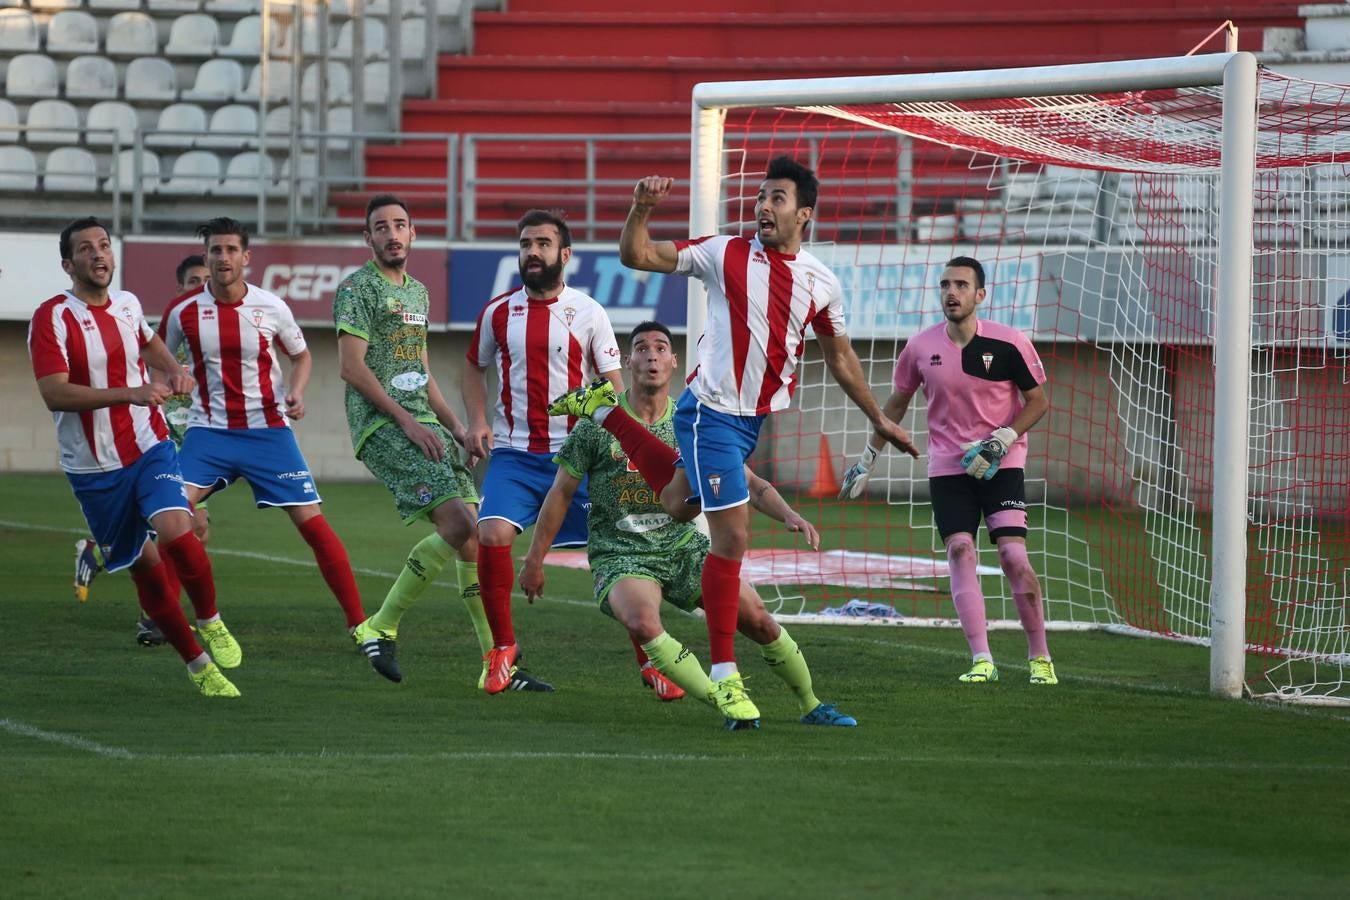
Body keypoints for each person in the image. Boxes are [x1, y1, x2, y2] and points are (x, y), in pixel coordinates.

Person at [549, 157, 918, 727]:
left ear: (804, 214)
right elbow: (638, 256)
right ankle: (726, 676)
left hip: (751, 423)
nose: (763, 206)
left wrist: (879, 419)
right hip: (710, 414)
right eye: (761, 196)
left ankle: (604, 411)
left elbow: (841, 357)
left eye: (777, 198)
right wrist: (642, 209)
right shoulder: (724, 254)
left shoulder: (822, 282)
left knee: (677, 503)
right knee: (733, 536)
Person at [521, 322, 856, 729]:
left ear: (675, 361)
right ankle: (725, 700)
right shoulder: (590, 431)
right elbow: (559, 494)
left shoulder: (692, 421)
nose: (651, 355)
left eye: (661, 347)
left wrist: (790, 514)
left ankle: (811, 704)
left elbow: (749, 482)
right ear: (627, 362)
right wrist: (534, 560)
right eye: (641, 348)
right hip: (621, 554)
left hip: (683, 547)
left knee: (758, 619)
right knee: (644, 622)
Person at [335, 195, 550, 690]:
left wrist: (455, 425)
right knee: (462, 523)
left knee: (472, 541)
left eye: (400, 225)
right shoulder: (356, 290)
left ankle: (497, 664)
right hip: (382, 426)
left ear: (414, 234)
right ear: (367, 239)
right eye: (381, 227)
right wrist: (407, 424)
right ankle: (380, 626)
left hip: (425, 425)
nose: (392, 234)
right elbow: (351, 367)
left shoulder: (419, 293)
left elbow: (422, 370)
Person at [29, 217, 239, 696]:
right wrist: (132, 391)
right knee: (144, 566)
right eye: (86, 249)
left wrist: (176, 369)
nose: (99, 254)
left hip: (149, 445)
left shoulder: (127, 304)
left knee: (179, 529)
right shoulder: (52, 318)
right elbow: (55, 394)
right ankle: (198, 664)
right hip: (94, 468)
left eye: (104, 245)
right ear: (68, 264)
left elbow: (149, 341)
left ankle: (210, 619)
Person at [838, 256, 1057, 685]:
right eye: (944, 285)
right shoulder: (920, 348)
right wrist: (868, 457)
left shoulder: (1010, 343)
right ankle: (982, 660)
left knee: (1013, 556)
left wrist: (1003, 439)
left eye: (960, 285)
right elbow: (894, 408)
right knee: (960, 551)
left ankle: (1040, 657)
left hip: (1001, 463)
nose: (951, 292)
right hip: (948, 468)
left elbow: (1038, 402)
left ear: (980, 294)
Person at [159, 217, 366, 652]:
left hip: (268, 432)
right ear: (207, 257)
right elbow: (159, 357)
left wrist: (296, 390)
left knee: (313, 526)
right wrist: (168, 380)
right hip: (207, 432)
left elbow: (302, 355)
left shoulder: (271, 306)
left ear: (246, 257)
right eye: (215, 250)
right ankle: (179, 619)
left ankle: (362, 626)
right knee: (172, 519)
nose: (223, 258)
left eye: (231, 250)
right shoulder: (183, 312)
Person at [463, 209, 625, 694]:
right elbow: (473, 367)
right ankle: (503, 650)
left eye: (543, 244)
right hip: (514, 455)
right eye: (526, 243)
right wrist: (475, 421)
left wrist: (616, 437)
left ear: (565, 255)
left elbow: (614, 385)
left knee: (617, 555)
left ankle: (651, 657)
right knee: (490, 535)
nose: (532, 252)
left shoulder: (590, 312)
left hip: (575, 460)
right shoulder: (497, 311)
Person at [73, 254, 210, 648]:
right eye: (193, 281)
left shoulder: (217, 332)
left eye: (206, 280)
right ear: (180, 289)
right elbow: (131, 363)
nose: (202, 286)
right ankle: (154, 617)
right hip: (158, 439)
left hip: (199, 441)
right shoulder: (164, 330)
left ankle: (101, 554)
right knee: (187, 527)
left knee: (186, 529)